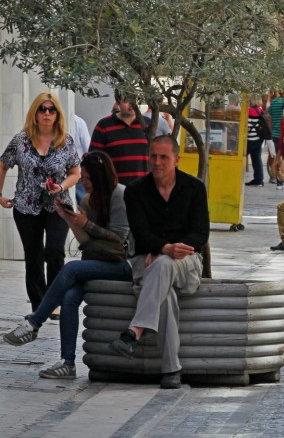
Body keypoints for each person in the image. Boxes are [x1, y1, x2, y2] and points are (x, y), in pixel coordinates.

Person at [2, 151, 132, 379]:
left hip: (123, 265)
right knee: (70, 298)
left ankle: (34, 323)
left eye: (88, 178)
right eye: (83, 177)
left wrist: (87, 224)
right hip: (96, 262)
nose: (84, 182)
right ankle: (68, 363)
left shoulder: (120, 195)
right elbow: (86, 243)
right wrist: (70, 220)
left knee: (70, 268)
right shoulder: (87, 200)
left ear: (100, 177)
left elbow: (119, 241)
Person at [109, 136, 210, 390]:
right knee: (165, 292)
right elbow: (140, 234)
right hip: (150, 262)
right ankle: (171, 371)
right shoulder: (135, 191)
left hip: (187, 261)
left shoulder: (194, 188)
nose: (157, 162)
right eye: (153, 156)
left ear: (176, 159)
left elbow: (201, 233)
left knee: (164, 264)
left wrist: (169, 249)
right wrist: (162, 248)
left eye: (163, 157)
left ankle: (134, 332)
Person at [0, 93, 81, 312]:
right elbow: (2, 164)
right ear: (35, 113)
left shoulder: (66, 140)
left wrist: (61, 186)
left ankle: (54, 300)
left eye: (51, 109)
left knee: (55, 251)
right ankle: (40, 304)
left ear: (57, 114)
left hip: (58, 205)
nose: (47, 113)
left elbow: (75, 172)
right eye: (42, 109)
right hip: (26, 206)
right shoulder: (21, 140)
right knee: (33, 255)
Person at [90, 91, 149, 185]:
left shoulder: (148, 125)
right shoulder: (104, 125)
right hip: (115, 189)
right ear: (117, 103)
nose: (132, 104)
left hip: (145, 188)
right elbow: (93, 159)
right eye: (127, 100)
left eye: (136, 99)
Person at [245, 96, 271, 187]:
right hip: (259, 139)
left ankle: (236, 177)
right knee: (256, 159)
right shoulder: (260, 110)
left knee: (242, 157)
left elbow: (246, 125)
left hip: (250, 139)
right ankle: (259, 180)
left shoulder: (248, 110)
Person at [267, 91, 284, 186]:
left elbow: (270, 117)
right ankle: (280, 176)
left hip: (274, 133)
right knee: (281, 157)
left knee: (272, 155)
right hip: (283, 133)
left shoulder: (273, 102)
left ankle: (272, 176)